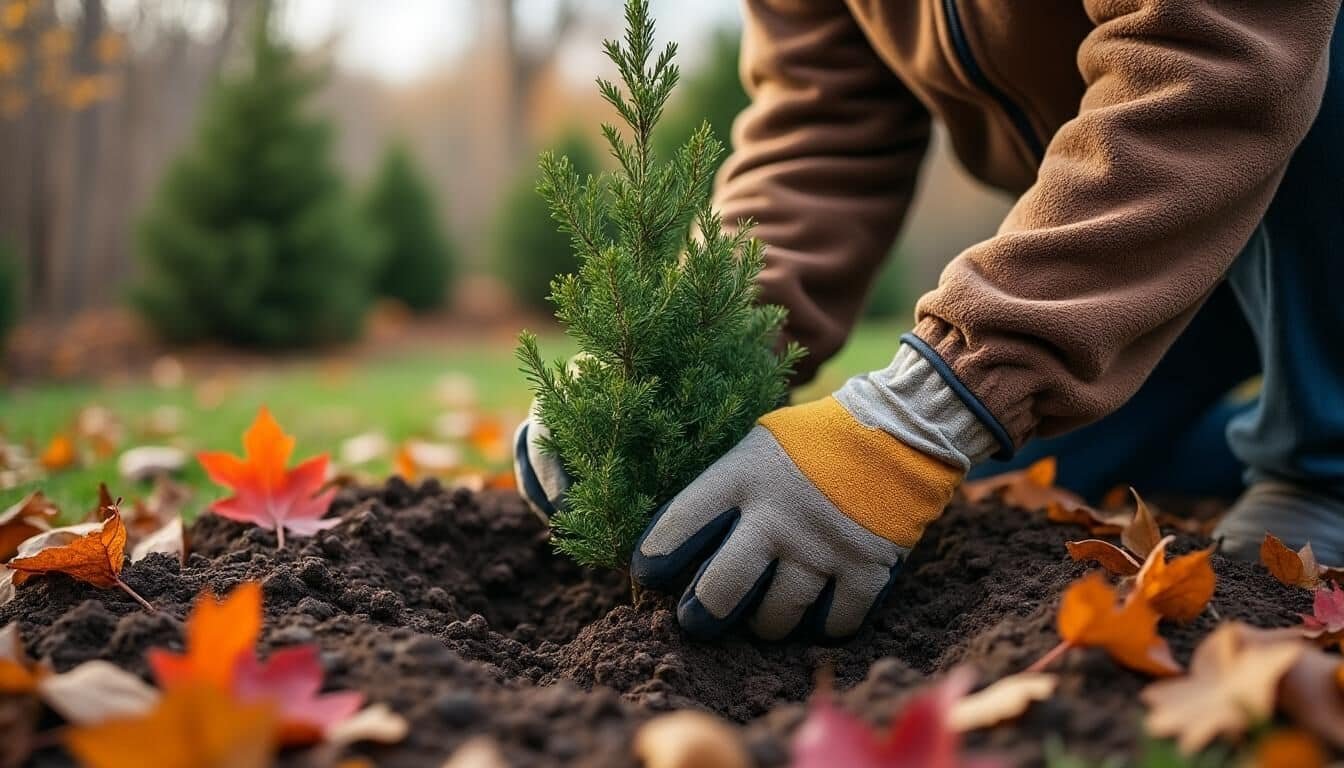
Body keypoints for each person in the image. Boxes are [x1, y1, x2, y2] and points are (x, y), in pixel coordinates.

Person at [516, 0, 1344, 641]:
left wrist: (936, 400)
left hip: (1275, 180)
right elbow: (820, 128)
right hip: (1148, 249)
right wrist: (696, 339)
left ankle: (1321, 468)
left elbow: (1214, 58)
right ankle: (1245, 442)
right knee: (980, 489)